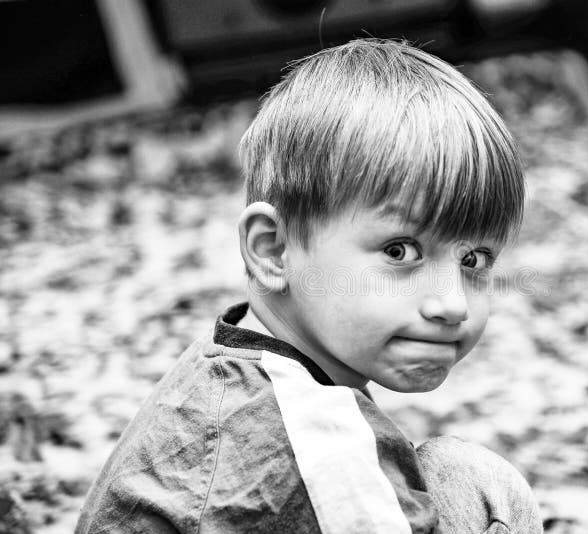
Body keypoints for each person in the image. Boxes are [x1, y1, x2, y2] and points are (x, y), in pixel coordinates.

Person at [76, 39, 542, 534]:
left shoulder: (227, 364)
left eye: (473, 259)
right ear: (274, 251)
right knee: (477, 480)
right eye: (400, 251)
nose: (452, 305)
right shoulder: (326, 449)